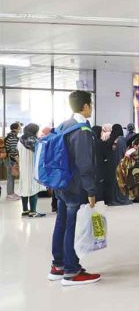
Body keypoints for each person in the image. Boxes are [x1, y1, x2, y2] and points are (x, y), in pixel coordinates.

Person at [48, 90, 101, 286]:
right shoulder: (82, 131)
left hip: (61, 184)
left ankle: (58, 265)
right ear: (85, 106)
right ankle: (71, 271)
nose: (91, 108)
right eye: (91, 105)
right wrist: (91, 190)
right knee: (72, 225)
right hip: (76, 186)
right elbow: (85, 164)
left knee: (61, 223)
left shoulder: (64, 125)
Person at [17, 123, 45, 218]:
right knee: (33, 188)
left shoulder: (20, 140)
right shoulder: (32, 141)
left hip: (23, 167)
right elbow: (40, 150)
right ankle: (33, 212)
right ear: (34, 131)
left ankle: (25, 210)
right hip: (32, 167)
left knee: (23, 187)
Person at [104, 124, 132, 206]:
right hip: (120, 163)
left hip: (112, 164)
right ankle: (121, 198)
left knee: (114, 181)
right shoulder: (122, 139)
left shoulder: (112, 139)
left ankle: (114, 198)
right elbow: (124, 153)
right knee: (121, 181)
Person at [5, 122, 21, 200]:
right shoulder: (13, 138)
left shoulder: (11, 136)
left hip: (10, 159)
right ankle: (10, 194)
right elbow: (13, 150)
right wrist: (17, 160)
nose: (20, 129)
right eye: (19, 127)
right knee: (10, 177)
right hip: (10, 159)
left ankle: (12, 193)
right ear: (16, 128)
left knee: (11, 176)